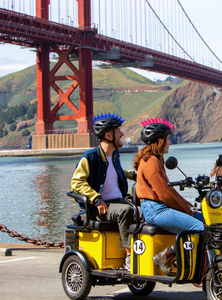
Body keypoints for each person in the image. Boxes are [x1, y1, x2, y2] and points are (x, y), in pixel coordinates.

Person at [133, 118, 203, 275]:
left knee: (205, 220)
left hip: (159, 207)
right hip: (155, 210)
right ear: (160, 140)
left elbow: (169, 191)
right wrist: (187, 209)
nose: (170, 143)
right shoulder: (151, 162)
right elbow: (165, 194)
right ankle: (165, 256)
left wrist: (188, 205)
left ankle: (196, 262)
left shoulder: (156, 159)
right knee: (198, 227)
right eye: (168, 139)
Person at [71, 113, 136, 271]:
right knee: (126, 211)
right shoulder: (90, 157)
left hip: (118, 203)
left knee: (142, 211)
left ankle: (142, 252)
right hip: (102, 207)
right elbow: (76, 183)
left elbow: (117, 172)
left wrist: (135, 175)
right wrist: (96, 199)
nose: (122, 134)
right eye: (118, 131)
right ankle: (129, 257)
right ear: (108, 135)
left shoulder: (114, 156)